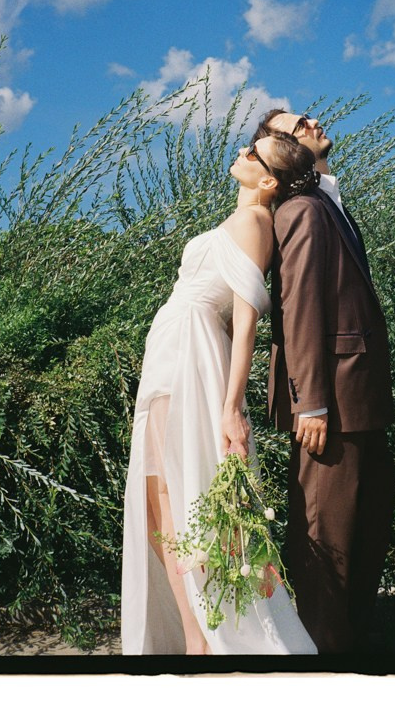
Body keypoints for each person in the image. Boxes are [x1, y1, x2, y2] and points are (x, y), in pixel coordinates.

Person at [121, 132, 319, 656]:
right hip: (169, 348)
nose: (243, 153)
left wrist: (232, 406)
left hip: (193, 352)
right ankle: (195, 635)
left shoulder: (256, 221)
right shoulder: (236, 220)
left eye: (255, 155)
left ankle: (204, 640)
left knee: (182, 495)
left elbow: (247, 320)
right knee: (157, 496)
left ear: (268, 180)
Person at [253, 109, 395, 654]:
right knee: (326, 543)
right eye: (297, 123)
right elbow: (300, 309)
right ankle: (319, 665)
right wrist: (310, 403)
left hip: (360, 398)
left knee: (366, 527)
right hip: (330, 404)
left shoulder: (327, 202)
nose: (313, 119)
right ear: (280, 151)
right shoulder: (303, 210)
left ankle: (353, 650)